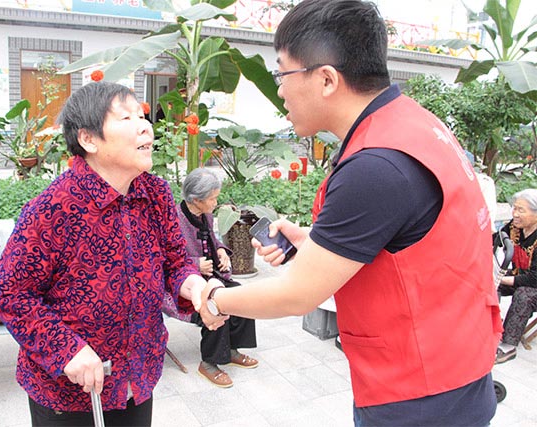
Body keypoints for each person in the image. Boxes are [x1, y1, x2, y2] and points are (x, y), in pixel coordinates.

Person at [198, 1, 501, 426]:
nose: (279, 90)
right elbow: (410, 236)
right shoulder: (412, 124)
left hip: (418, 395)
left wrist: (215, 297)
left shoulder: (375, 166)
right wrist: (318, 244)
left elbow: (297, 296)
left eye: (282, 74)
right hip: (457, 365)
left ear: (326, 79)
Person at [0, 81, 224, 427]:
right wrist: (66, 349)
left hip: (137, 377)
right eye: (126, 118)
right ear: (89, 139)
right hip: (70, 394)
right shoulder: (53, 208)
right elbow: (10, 293)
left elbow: (176, 262)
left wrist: (196, 287)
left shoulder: (156, 194)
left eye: (142, 116)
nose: (145, 126)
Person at [176, 168, 258, 388]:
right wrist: (195, 264)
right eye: (212, 198)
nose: (215, 202)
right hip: (184, 285)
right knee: (216, 303)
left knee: (241, 294)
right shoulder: (173, 220)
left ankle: (231, 350)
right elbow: (165, 259)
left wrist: (220, 250)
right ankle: (209, 363)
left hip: (211, 276)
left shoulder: (205, 214)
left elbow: (213, 238)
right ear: (196, 200)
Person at [495, 189, 537, 364]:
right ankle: (489, 325)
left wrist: (500, 278)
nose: (515, 214)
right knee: (490, 283)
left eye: (521, 210)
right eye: (515, 208)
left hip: (534, 284)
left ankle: (508, 346)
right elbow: (496, 239)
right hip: (521, 275)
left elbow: (534, 279)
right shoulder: (515, 227)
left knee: (523, 295)